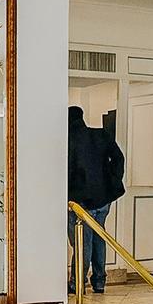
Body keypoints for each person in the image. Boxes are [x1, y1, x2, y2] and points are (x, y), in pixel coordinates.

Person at [67, 106, 126, 293]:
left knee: (82, 241)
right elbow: (118, 158)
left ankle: (78, 282)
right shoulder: (101, 135)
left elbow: (67, 171)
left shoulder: (69, 140)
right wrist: (113, 180)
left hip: (79, 201)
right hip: (103, 198)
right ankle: (99, 281)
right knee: (98, 238)